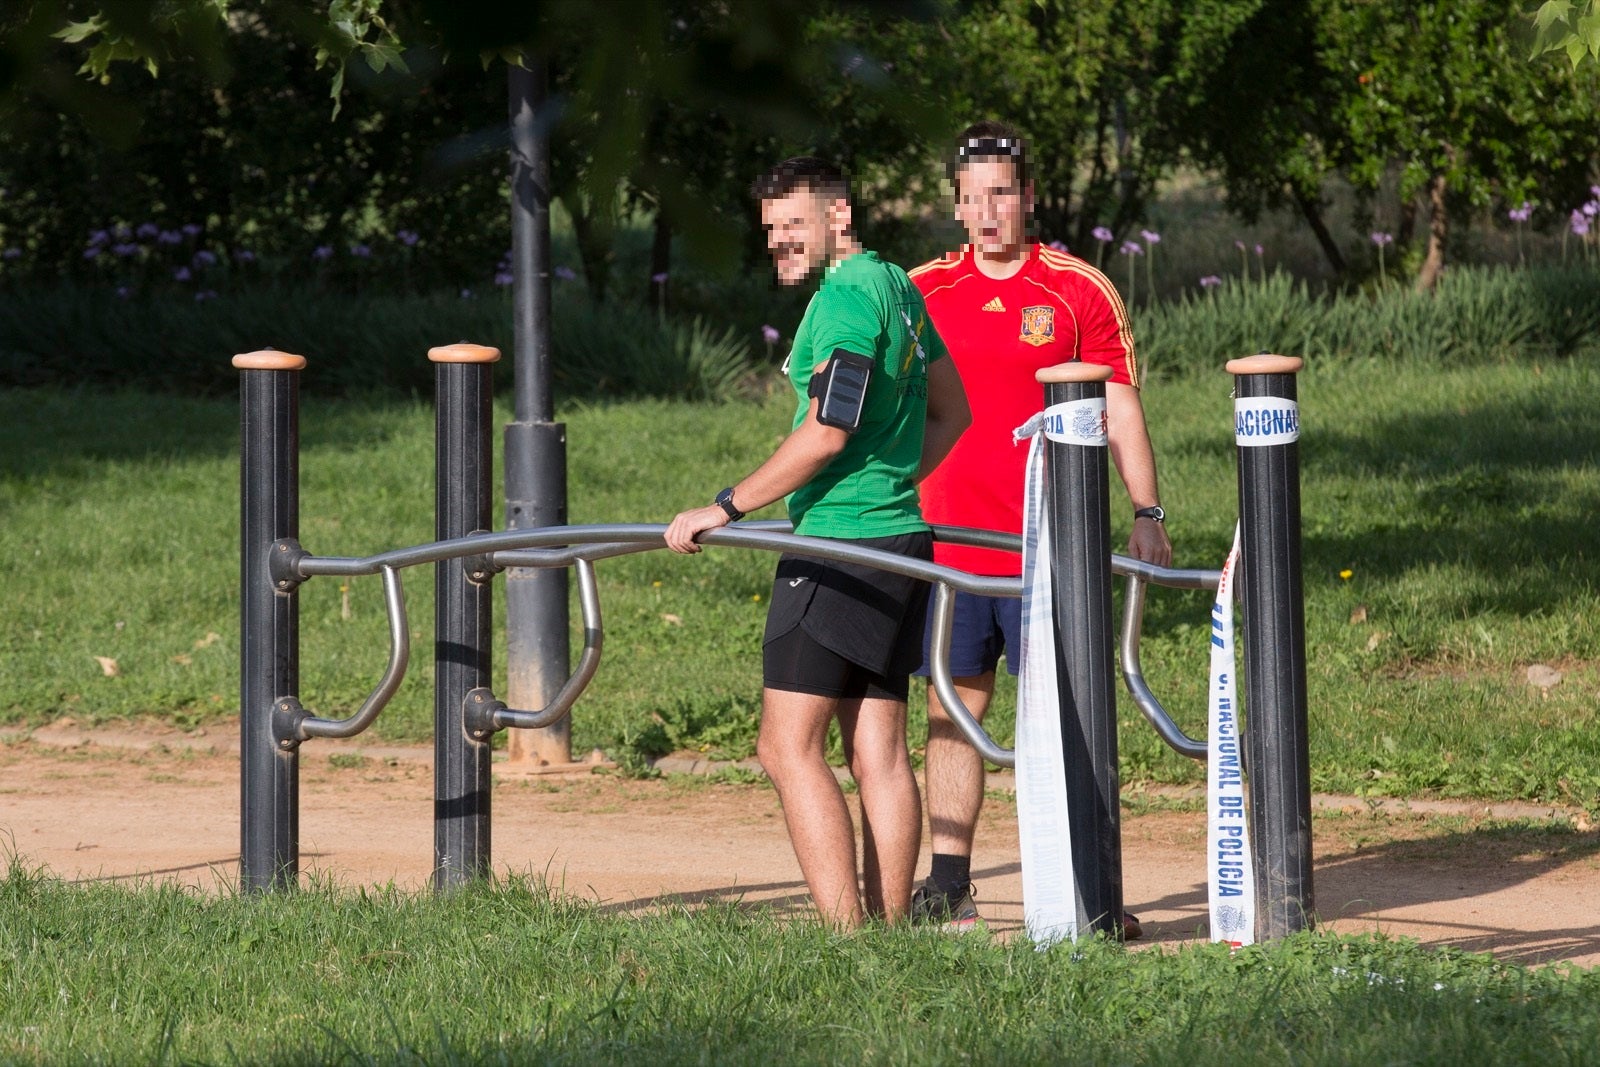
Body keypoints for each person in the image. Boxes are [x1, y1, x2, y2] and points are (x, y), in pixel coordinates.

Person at [665, 157, 971, 929]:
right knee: (878, 750)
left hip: (839, 545)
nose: (780, 243)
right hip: (900, 536)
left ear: (838, 216)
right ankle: (888, 936)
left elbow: (827, 430)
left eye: (793, 224)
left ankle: (846, 937)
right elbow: (952, 412)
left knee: (784, 747)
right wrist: (893, 479)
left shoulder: (841, 299)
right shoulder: (899, 285)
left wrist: (725, 505)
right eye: (770, 231)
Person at [906, 121, 1172, 935]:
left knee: (1071, 712)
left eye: (1002, 194)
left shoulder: (1078, 288)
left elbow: (1120, 404)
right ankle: (947, 881)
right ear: (956, 206)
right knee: (953, 711)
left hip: (1052, 545)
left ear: (1028, 197)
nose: (988, 212)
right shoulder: (919, 290)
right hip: (946, 544)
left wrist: (1146, 511)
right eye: (972, 197)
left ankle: (1090, 885)